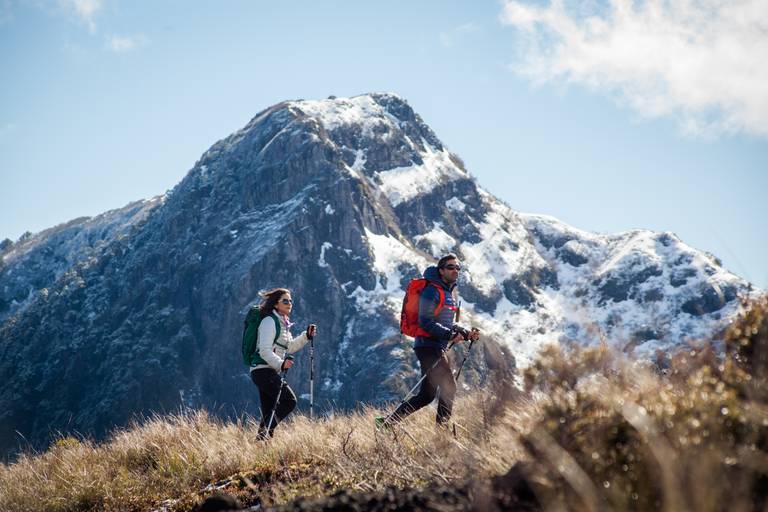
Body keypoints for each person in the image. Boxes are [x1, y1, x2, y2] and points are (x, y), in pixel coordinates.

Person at [388, 253, 480, 427]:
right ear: (441, 270)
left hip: (432, 346)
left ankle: (388, 423)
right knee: (449, 387)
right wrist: (451, 335)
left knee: (427, 395)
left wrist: (466, 334)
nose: (455, 270)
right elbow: (426, 321)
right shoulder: (432, 290)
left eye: (458, 267)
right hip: (428, 346)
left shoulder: (447, 292)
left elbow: (445, 322)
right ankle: (442, 432)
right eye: (451, 267)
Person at [249, 288, 317, 439]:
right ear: (275, 304)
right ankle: (263, 436)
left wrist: (306, 336)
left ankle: (261, 444)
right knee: (289, 401)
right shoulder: (269, 321)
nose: (289, 304)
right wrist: (281, 364)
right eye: (285, 301)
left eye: (291, 301)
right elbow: (264, 351)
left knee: (270, 410)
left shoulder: (283, 323)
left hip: (267, 371)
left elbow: (290, 347)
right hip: (262, 371)